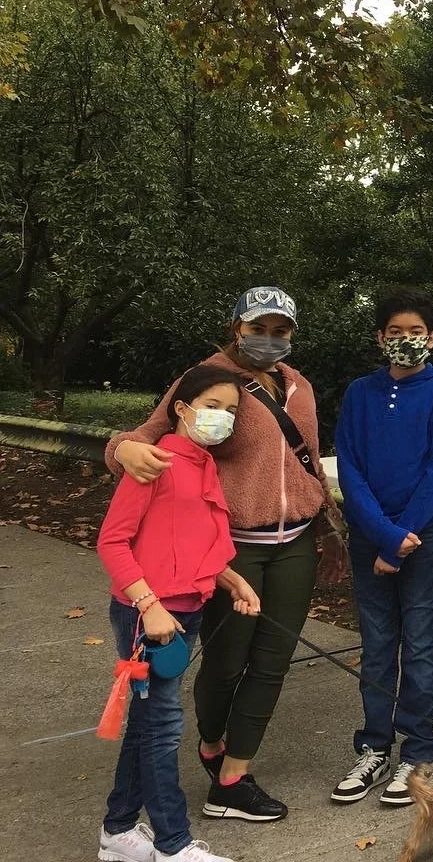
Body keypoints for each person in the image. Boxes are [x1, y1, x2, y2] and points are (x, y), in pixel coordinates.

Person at [105, 287, 347, 822]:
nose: (268, 339)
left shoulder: (298, 386)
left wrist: (329, 530)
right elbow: (146, 435)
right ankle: (212, 744)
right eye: (257, 328)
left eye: (280, 330)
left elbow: (304, 465)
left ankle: (234, 778)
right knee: (225, 661)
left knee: (272, 662)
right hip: (231, 547)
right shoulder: (206, 381)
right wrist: (121, 448)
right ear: (235, 326)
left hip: (297, 543)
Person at [96, 366, 262, 862]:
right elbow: (112, 541)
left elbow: (191, 543)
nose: (222, 417)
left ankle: (118, 831)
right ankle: (173, 844)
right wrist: (149, 605)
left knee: (147, 726)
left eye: (231, 411)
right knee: (164, 727)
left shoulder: (204, 464)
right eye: (212, 406)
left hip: (184, 612)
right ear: (183, 408)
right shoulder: (157, 462)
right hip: (148, 618)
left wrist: (234, 580)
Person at [331, 289, 433, 807]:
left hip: (424, 536)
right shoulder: (361, 392)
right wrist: (384, 536)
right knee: (378, 642)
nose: (404, 341)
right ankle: (374, 746)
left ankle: (420, 747)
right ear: (380, 337)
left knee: (422, 639)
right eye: (394, 332)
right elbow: (351, 467)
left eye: (415, 333)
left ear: (431, 338)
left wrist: (404, 537)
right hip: (372, 535)